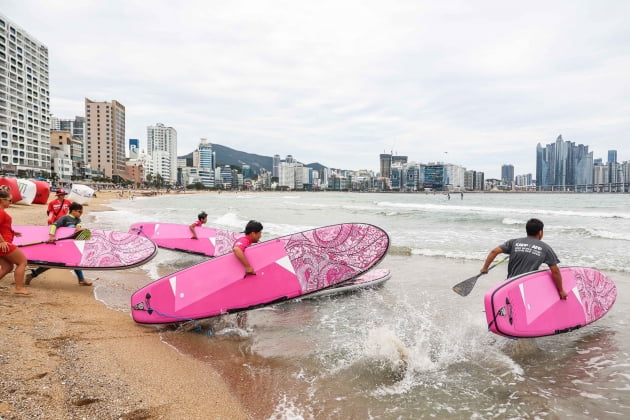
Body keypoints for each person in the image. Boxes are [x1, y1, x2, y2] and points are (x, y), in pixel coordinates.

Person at [481, 218, 567, 300]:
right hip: (527, 286)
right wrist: (561, 290)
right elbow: (555, 271)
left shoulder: (514, 242)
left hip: (509, 284)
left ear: (527, 230)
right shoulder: (545, 248)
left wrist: (485, 268)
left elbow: (494, 251)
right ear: (540, 232)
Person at [26, 202, 93, 287]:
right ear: (73, 211)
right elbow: (54, 226)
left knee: (75, 261)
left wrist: (79, 228)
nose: (81, 214)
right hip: (58, 244)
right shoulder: (65, 218)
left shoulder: (78, 220)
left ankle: (81, 280)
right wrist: (51, 236)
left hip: (68, 245)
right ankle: (31, 275)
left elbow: (78, 227)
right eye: (80, 212)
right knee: (50, 264)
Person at [232, 220, 263, 328]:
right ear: (253, 233)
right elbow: (236, 249)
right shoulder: (244, 240)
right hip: (236, 277)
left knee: (242, 303)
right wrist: (248, 266)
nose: (260, 236)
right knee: (241, 303)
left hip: (238, 277)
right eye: (259, 233)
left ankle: (241, 328)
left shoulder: (247, 242)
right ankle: (240, 328)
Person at [0, 189, 30, 295]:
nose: (11, 202)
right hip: (4, 245)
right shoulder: (1, 212)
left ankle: (19, 288)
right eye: (9, 200)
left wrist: (13, 232)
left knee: (7, 267)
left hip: (3, 244)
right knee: (22, 262)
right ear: (2, 200)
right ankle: (19, 288)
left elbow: (3, 227)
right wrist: (2, 241)